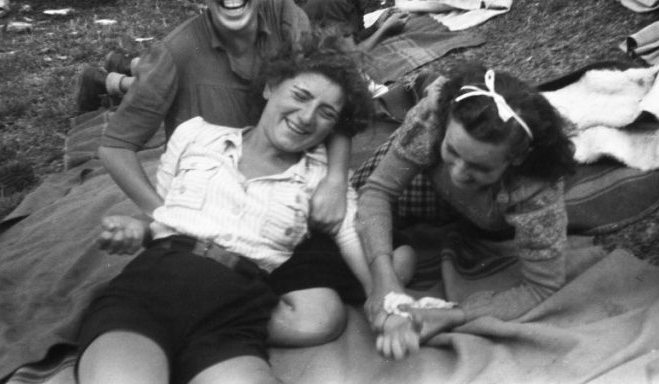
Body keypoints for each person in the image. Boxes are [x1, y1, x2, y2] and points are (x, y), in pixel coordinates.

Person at [95, 0, 360, 345]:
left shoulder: (288, 20)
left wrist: (334, 180)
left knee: (356, 271)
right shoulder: (176, 52)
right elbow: (115, 145)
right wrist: (164, 217)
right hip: (213, 202)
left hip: (285, 191)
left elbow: (339, 97)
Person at [76, 45, 414, 384]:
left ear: (334, 127)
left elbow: (364, 255)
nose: (306, 117)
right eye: (300, 96)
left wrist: (389, 306)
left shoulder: (324, 183)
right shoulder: (195, 135)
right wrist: (140, 229)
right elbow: (165, 215)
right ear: (270, 87)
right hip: (154, 287)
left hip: (235, 314)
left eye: (326, 113)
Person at [354, 60, 577, 360]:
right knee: (353, 202)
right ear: (445, 124)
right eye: (452, 151)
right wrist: (385, 280)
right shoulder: (430, 121)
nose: (458, 172)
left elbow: (542, 287)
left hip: (483, 217)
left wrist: (451, 315)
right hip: (424, 178)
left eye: (480, 167)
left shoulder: (536, 191)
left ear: (516, 159)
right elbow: (377, 192)